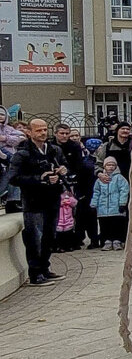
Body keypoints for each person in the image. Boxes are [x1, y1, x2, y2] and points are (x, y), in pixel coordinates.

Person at [10, 118, 67, 286]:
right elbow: (13, 178)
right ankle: (35, 273)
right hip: (33, 201)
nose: (43, 133)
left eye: (44, 130)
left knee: (49, 236)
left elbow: (64, 166)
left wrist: (61, 171)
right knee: (35, 237)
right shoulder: (23, 153)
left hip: (52, 198)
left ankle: (44, 268)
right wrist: (39, 178)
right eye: (38, 130)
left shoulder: (54, 150)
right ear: (29, 132)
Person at [91, 156, 130, 250]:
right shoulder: (99, 180)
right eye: (108, 165)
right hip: (103, 208)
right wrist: (93, 204)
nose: (111, 167)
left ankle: (117, 241)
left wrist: (122, 203)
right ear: (104, 166)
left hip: (116, 207)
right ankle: (107, 241)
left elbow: (124, 190)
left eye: (113, 165)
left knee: (117, 225)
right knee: (105, 225)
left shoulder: (119, 178)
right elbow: (96, 192)